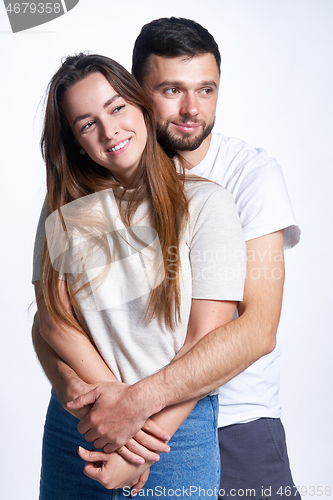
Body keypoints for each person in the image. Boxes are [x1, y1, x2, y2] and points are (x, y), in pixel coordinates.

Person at [32, 17, 301, 500]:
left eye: (206, 90)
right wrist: (103, 412)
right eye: (172, 90)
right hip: (96, 420)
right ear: (143, 91)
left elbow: (254, 329)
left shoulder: (236, 183)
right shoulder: (82, 203)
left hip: (223, 413)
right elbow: (52, 322)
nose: (191, 109)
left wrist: (134, 428)